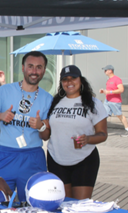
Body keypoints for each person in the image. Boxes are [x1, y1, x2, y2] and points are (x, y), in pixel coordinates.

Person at [0, 51, 53, 204]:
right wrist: (0, 116)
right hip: (6, 156)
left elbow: (46, 136)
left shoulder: (47, 98)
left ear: (44, 70)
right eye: (30, 66)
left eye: (39, 67)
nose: (34, 71)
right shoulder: (5, 90)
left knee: (35, 205)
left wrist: (40, 126)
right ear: (23, 68)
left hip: (33, 158)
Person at [45, 65, 108, 200]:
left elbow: (103, 134)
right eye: (65, 79)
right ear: (61, 83)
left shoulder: (93, 104)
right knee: (63, 204)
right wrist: (40, 127)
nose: (69, 82)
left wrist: (88, 139)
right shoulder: (55, 102)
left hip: (84, 160)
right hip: (56, 159)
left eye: (73, 78)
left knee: (81, 206)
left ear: (81, 80)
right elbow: (47, 133)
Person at [99, 64, 128, 137]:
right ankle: (100, 130)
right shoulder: (109, 80)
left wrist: (109, 92)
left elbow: (121, 89)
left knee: (119, 116)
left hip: (115, 101)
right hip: (107, 100)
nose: (104, 72)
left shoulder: (117, 79)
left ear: (110, 71)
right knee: (103, 115)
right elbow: (109, 90)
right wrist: (103, 91)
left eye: (105, 70)